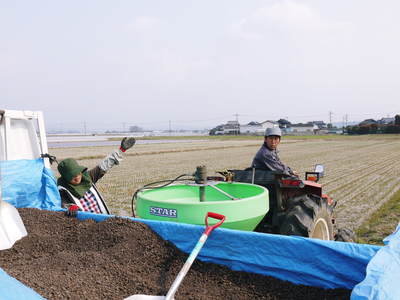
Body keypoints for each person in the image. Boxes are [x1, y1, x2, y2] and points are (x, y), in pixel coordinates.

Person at [57, 137, 136, 214]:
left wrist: (121, 150)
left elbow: (104, 165)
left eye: (78, 173)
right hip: (85, 223)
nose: (77, 177)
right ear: (66, 179)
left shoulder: (88, 177)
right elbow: (63, 203)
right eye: (72, 176)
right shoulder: (64, 190)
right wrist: (70, 207)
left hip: (102, 216)